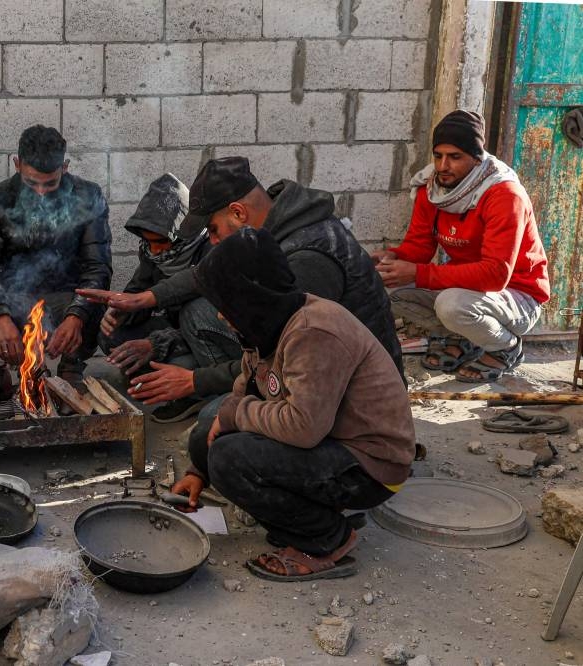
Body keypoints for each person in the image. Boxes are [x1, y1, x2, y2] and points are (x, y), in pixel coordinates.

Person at [171, 227, 415, 581]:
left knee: (229, 457)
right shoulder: (268, 322)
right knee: (206, 437)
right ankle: (308, 510)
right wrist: (199, 471)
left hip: (370, 465)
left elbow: (303, 427)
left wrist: (235, 417)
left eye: (225, 306)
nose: (222, 317)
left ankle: (325, 539)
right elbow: (247, 389)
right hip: (330, 442)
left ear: (249, 296)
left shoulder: (314, 331)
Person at [79, 156, 403, 408]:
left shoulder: (308, 258)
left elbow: (282, 357)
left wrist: (195, 381)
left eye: (215, 230)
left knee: (214, 430)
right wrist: (145, 299)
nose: (214, 241)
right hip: (303, 368)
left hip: (354, 398)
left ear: (238, 212)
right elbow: (202, 275)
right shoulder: (271, 228)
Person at [372, 109, 550, 382]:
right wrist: (392, 258)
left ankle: (505, 347)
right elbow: (419, 246)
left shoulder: (504, 195)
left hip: (518, 295)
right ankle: (460, 339)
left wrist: (419, 274)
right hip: (464, 287)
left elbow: (495, 275)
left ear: (476, 159)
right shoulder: (432, 189)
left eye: (455, 157)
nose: (443, 166)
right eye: (438, 155)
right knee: (380, 284)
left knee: (451, 304)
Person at [0, 125, 111, 382]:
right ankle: (25, 362)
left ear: (64, 168)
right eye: (32, 183)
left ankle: (71, 367)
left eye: (51, 183)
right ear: (17, 164)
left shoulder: (89, 196)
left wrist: (77, 315)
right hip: (15, 299)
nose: (41, 192)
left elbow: (97, 268)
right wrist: (0, 316)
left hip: (65, 299)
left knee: (96, 305)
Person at [99, 174, 241, 423]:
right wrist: (122, 310)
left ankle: (202, 393)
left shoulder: (212, 250)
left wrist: (156, 344)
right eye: (148, 242)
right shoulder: (153, 255)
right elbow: (137, 293)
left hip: (215, 342)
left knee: (192, 319)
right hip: (176, 331)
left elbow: (212, 324)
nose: (155, 251)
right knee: (113, 335)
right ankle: (169, 379)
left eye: (161, 242)